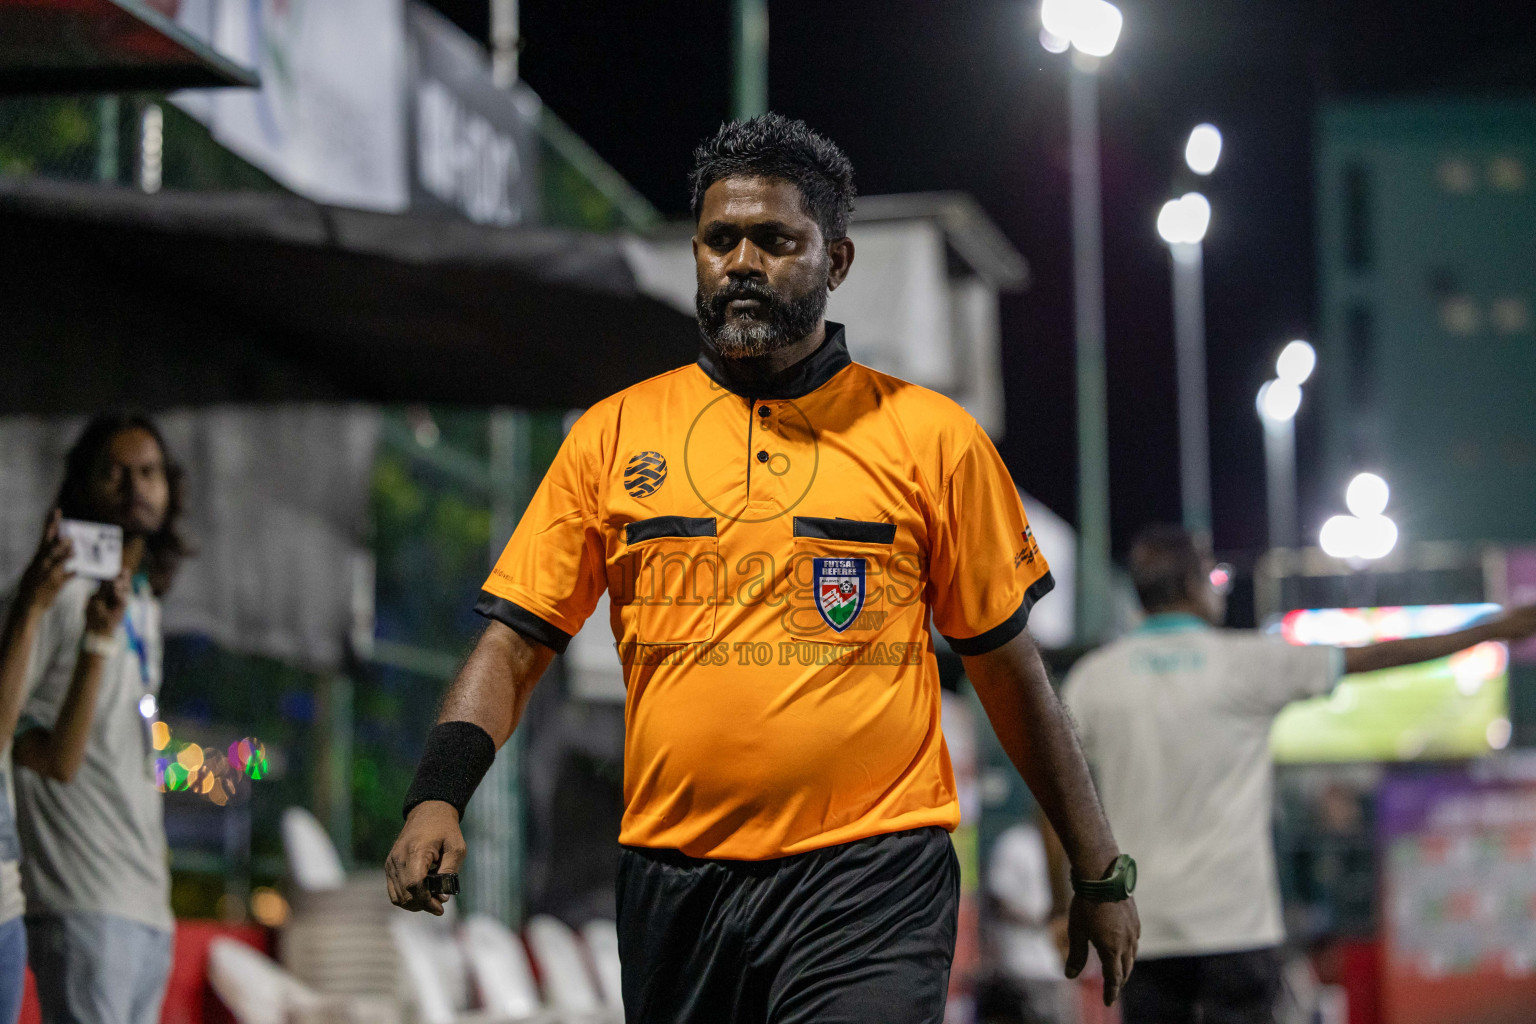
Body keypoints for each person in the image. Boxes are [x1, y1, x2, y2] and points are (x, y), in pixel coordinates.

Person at [387, 113, 1139, 1024]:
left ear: (837, 260)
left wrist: (1096, 870)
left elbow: (1009, 673)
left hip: (871, 876)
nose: (742, 261)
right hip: (674, 883)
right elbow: (514, 643)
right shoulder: (613, 434)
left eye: (776, 240)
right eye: (719, 240)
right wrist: (437, 796)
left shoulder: (932, 439)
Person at [1060, 524, 1536, 1024]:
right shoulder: (1248, 663)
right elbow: (1380, 655)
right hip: (1238, 927)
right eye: (1213, 576)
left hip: (1140, 929)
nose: (1219, 588)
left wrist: (1063, 903)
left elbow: (1055, 801)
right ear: (1189, 585)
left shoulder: (1094, 680)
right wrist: (1492, 629)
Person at [7, 415, 188, 1024]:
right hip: (80, 892)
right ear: (80, 485)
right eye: (114, 472)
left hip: (146, 903)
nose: (135, 486)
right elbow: (13, 736)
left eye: (149, 472)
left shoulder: (141, 602)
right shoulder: (50, 594)